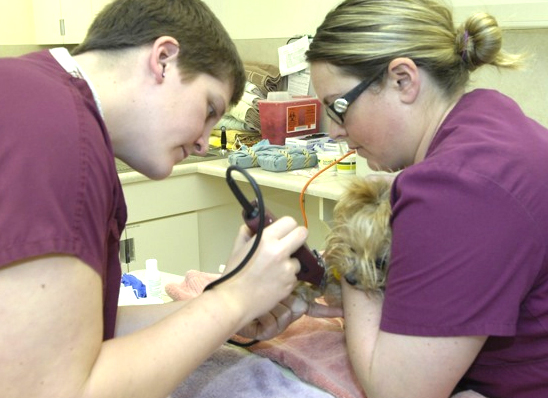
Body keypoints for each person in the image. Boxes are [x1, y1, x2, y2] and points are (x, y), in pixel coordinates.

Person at [0, 1, 339, 397]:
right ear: (163, 59)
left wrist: (223, 311)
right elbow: (51, 389)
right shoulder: (60, 134)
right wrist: (232, 300)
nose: (202, 143)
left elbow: (75, 333)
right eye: (209, 108)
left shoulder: (32, 92)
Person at [306, 0, 548, 397]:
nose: (334, 131)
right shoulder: (490, 119)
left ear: (404, 80)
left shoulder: (456, 187)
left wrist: (356, 259)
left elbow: (398, 391)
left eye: (339, 107)